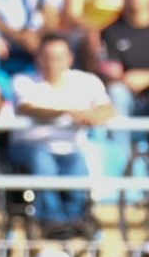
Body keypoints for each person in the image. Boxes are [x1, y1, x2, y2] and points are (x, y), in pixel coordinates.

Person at [9, 31, 113, 237]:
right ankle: (52, 221)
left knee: (79, 167)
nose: (52, 63)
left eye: (57, 57)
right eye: (47, 57)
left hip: (71, 147)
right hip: (30, 146)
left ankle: (74, 221)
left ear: (69, 59)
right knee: (43, 163)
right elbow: (27, 108)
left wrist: (92, 115)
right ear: (38, 58)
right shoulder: (23, 81)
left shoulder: (87, 82)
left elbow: (108, 109)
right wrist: (67, 113)